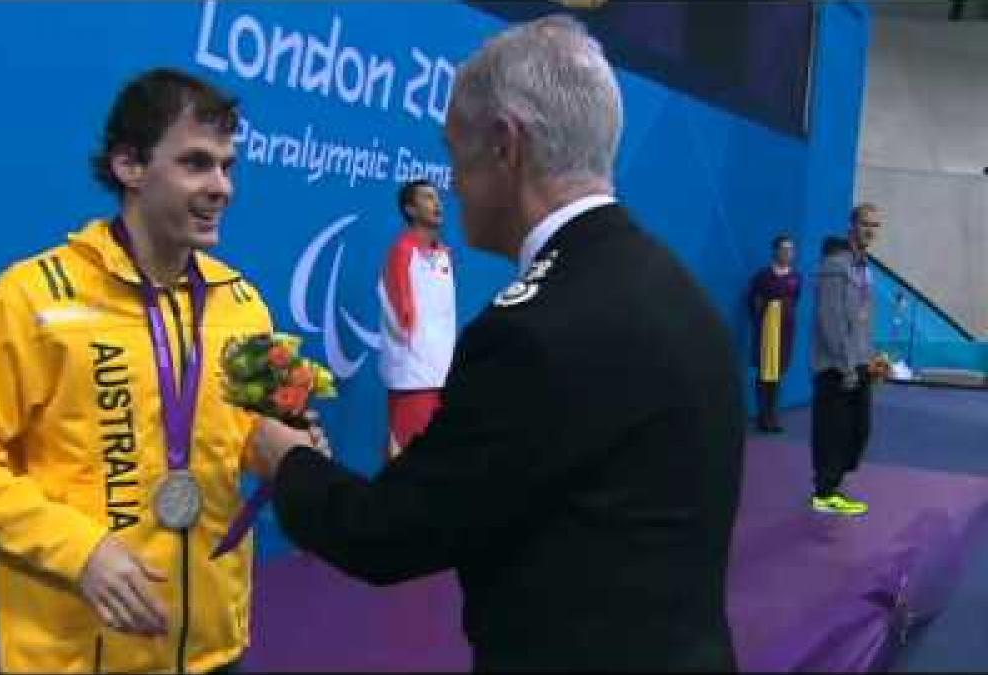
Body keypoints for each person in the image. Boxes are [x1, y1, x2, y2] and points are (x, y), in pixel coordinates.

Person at [248, 15, 745, 671]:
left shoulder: (531, 332)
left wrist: (285, 459)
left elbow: (390, 532)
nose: (451, 187)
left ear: (504, 146)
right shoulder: (678, 290)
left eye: (455, 155)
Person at [0, 68, 272, 673]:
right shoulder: (33, 299)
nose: (221, 187)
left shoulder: (242, 303)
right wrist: (82, 551)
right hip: (80, 656)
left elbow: (242, 437)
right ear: (129, 166)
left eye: (227, 166)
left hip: (214, 652)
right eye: (195, 163)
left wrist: (286, 450)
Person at [809, 203, 883, 516]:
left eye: (876, 226)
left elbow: (862, 320)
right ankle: (825, 492)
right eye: (866, 224)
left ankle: (834, 481)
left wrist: (871, 359)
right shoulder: (835, 265)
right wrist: (845, 364)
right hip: (836, 367)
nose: (871, 230)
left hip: (860, 363)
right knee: (833, 430)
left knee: (859, 430)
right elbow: (831, 320)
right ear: (852, 225)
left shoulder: (864, 267)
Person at [377, 178, 457, 458]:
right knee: (407, 464)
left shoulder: (445, 256)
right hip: (413, 382)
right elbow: (403, 317)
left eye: (438, 197)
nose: (437, 203)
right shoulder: (402, 253)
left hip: (442, 379)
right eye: (427, 197)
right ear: (410, 209)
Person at [747, 234, 802, 433]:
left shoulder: (796, 277)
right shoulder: (763, 275)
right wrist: (761, 319)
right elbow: (752, 298)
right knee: (764, 373)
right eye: (784, 249)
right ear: (775, 251)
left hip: (785, 332)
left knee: (778, 374)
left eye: (791, 250)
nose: (788, 253)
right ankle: (762, 417)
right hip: (767, 330)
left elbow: (795, 299)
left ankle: (773, 417)